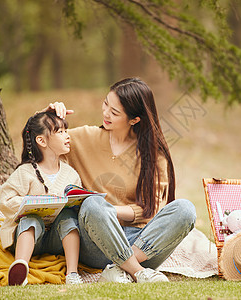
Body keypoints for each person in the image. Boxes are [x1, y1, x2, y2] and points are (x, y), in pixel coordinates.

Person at [43, 77, 196, 283]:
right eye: (106, 103)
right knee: (93, 203)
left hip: (140, 244)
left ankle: (119, 268)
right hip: (95, 243)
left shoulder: (153, 155)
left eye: (115, 112)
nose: (106, 113)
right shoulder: (84, 137)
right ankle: (137, 272)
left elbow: (151, 209)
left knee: (185, 209)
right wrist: (45, 118)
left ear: (134, 119)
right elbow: (39, 148)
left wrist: (111, 211)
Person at [0, 111, 83, 286]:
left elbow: (77, 203)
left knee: (68, 219)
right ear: (41, 141)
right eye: (60, 132)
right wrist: (31, 201)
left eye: (66, 131)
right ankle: (20, 267)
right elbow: (5, 199)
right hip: (28, 238)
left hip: (57, 238)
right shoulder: (26, 172)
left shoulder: (70, 174)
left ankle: (72, 274)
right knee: (31, 220)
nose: (67, 136)